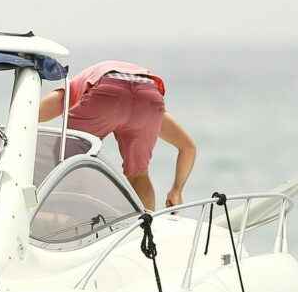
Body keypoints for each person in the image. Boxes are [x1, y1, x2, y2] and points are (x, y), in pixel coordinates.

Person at [38, 60, 197, 210]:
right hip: (149, 96)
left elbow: (39, 111)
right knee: (138, 174)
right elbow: (188, 148)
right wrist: (176, 190)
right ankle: (146, 225)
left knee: (67, 163)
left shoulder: (74, 86)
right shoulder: (154, 110)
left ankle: (68, 216)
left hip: (107, 87)